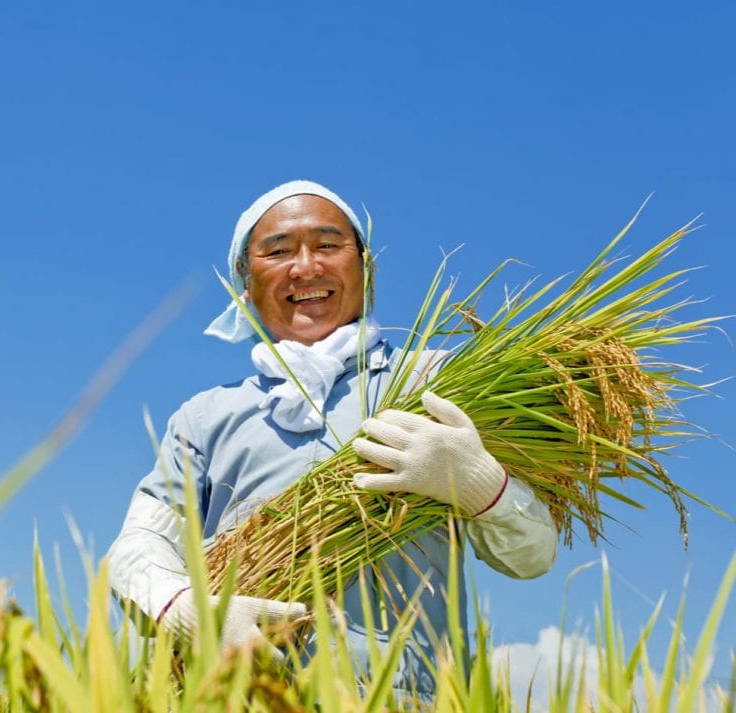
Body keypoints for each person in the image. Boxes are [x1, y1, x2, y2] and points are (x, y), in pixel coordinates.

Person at [106, 180, 557, 698]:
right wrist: (184, 607)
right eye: (277, 252)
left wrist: (480, 483)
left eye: (327, 245)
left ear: (366, 267)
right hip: (245, 696)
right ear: (244, 283)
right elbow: (137, 547)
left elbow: (532, 557)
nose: (306, 268)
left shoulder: (436, 381)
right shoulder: (206, 417)